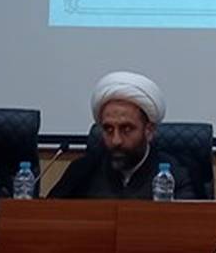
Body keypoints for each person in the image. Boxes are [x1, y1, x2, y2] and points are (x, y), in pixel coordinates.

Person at [49, 71, 194, 200]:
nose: (116, 140)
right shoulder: (83, 171)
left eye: (126, 129)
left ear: (149, 131)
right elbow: (49, 214)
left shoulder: (176, 175)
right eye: (108, 129)